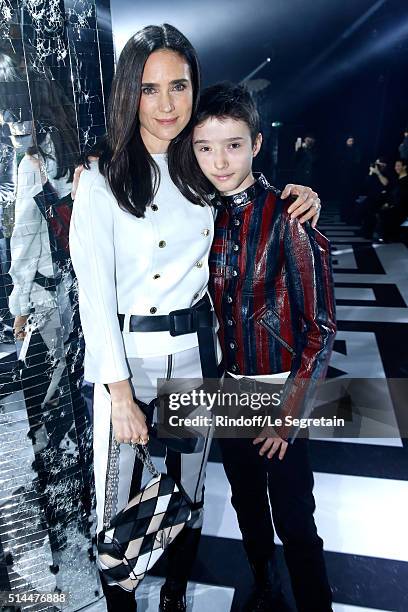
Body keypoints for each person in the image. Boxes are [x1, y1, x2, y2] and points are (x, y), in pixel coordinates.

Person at [69, 24, 322, 612]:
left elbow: (248, 191)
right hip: (127, 365)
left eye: (178, 86)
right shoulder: (102, 183)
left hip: (194, 359)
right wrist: (120, 394)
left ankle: (176, 595)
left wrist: (300, 195)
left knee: (186, 492)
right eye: (149, 88)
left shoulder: (199, 172)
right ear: (128, 92)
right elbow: (94, 300)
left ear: (193, 88)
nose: (165, 105)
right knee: (117, 504)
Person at [184, 82, 336, 612]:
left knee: (295, 519)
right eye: (205, 147)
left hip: (278, 393)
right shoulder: (198, 218)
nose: (219, 161)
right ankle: (264, 589)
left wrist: (287, 416)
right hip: (227, 394)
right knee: (248, 507)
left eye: (232, 144)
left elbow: (321, 329)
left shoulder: (290, 216)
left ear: (255, 143)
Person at [375, 158, 408, 242]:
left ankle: (384, 237)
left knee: (383, 213)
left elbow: (401, 197)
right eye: (395, 166)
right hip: (395, 205)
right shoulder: (398, 178)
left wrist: (390, 204)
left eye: (398, 166)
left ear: (404, 167)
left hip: (401, 208)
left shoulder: (405, 181)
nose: (396, 168)